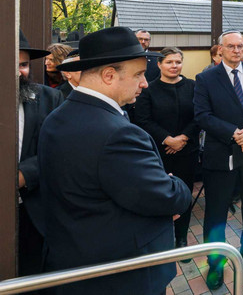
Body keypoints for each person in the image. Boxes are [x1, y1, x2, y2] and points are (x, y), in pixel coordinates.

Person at [39, 27, 191, 295]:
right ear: (109, 75)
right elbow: (168, 197)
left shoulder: (57, 117)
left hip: (78, 266)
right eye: (138, 74)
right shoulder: (117, 133)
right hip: (122, 274)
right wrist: (175, 185)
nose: (144, 83)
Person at [194, 30, 243, 289]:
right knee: (217, 212)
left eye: (241, 46)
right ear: (220, 49)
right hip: (222, 155)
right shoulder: (206, 78)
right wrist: (234, 133)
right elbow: (202, 115)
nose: (237, 50)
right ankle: (215, 264)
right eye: (231, 46)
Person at [134, 47, 200, 258]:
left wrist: (183, 138)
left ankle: (181, 237)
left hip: (187, 151)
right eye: (169, 62)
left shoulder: (193, 86)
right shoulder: (148, 90)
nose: (174, 66)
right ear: (160, 65)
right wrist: (168, 139)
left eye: (178, 62)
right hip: (159, 153)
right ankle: (162, 235)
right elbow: (143, 120)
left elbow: (199, 115)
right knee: (160, 195)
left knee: (184, 193)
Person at [17, 31, 64, 276]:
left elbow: (60, 149)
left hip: (34, 213)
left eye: (23, 64)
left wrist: (25, 174)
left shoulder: (50, 98)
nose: (18, 72)